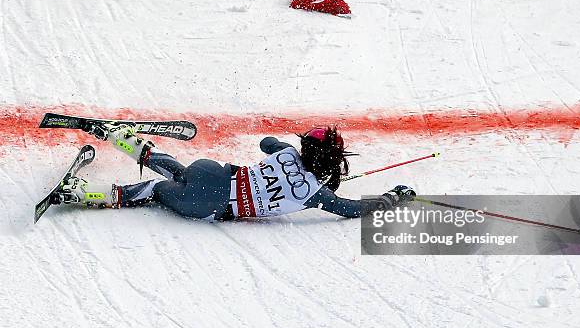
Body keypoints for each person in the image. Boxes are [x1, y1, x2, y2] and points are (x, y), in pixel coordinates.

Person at [55, 123, 416, 220]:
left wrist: (285, 151)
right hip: (211, 207)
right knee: (152, 191)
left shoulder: (288, 151)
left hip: (213, 173)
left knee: (178, 170)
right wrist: (390, 198)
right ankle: (84, 193)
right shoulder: (316, 195)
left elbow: (265, 142)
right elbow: (351, 209)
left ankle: (129, 142)